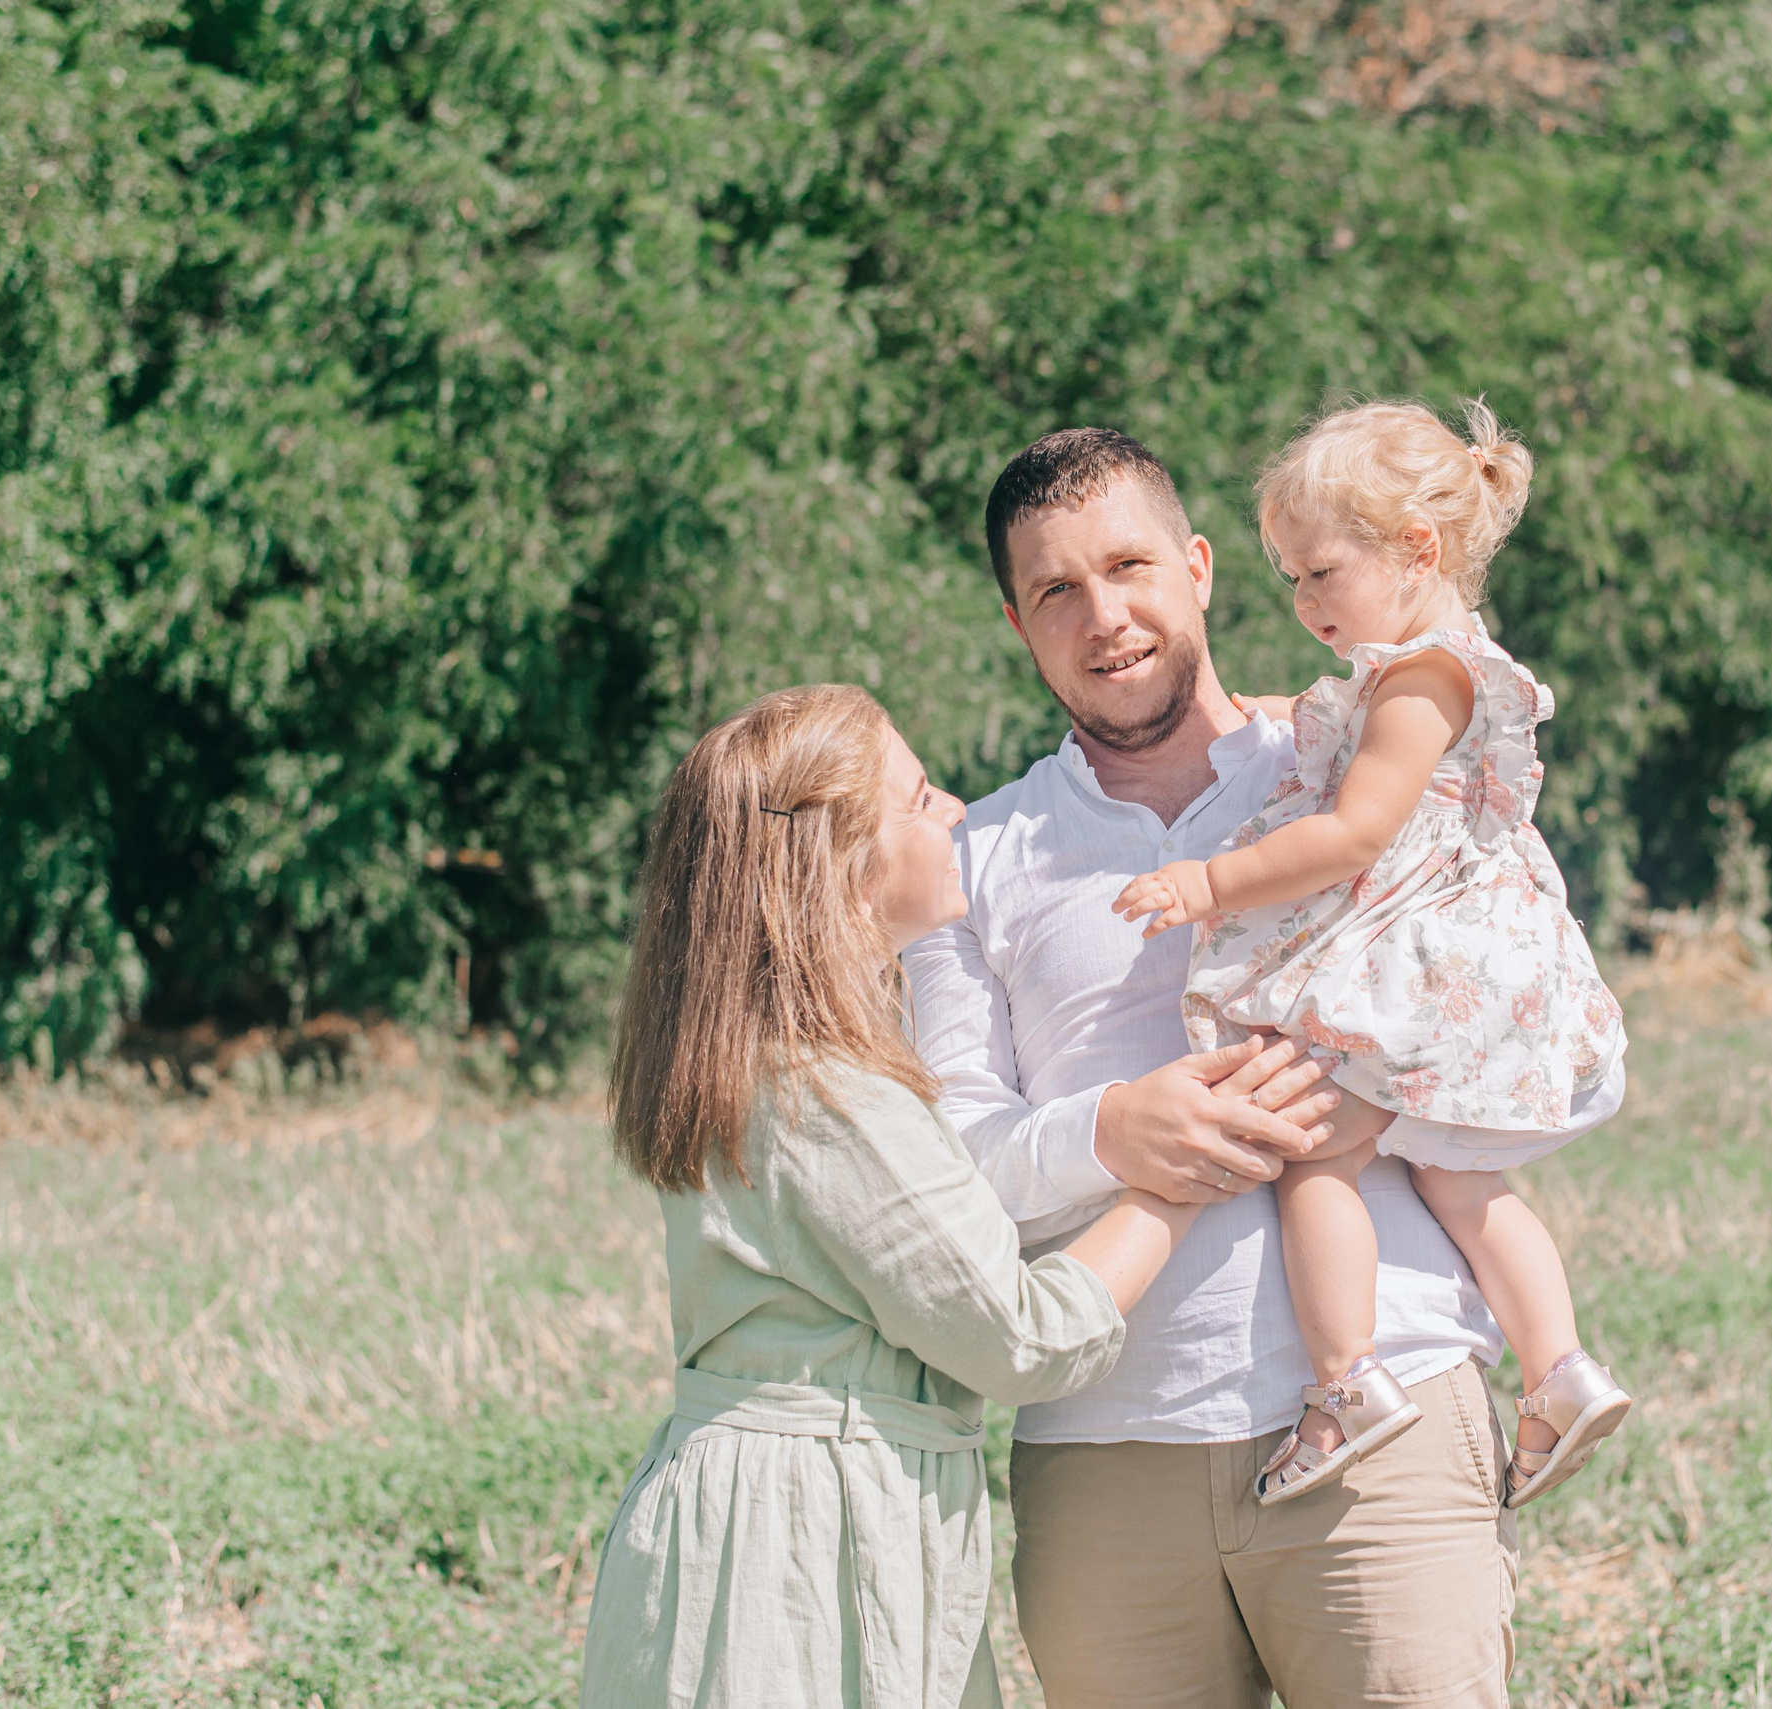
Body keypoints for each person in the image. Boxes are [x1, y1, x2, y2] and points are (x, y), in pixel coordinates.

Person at [902, 429, 1622, 1708]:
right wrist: (1116, 1129)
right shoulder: (977, 853)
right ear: (1017, 622)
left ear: (1197, 568)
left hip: (1380, 1426)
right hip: (1101, 1446)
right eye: (1057, 591)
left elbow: (1520, 998)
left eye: (1130, 566)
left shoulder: (1359, 765)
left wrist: (1380, 1093)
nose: (1104, 615)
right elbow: (952, 1169)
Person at [581, 683, 1246, 1709]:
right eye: (921, 794)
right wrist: (1184, 1175)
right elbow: (1017, 1334)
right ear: (845, 862)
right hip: (801, 1530)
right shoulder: (828, 1090)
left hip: (765, 1510)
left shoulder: (773, 1064)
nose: (954, 814)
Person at [1114, 399, 1632, 1510]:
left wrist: (1204, 882)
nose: (1302, 601)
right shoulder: (1413, 670)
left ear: (1417, 549)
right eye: (1291, 578)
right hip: (1469, 965)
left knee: (1313, 1158)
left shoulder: (1423, 678)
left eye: (1318, 573)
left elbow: (1354, 830)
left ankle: (1345, 1380)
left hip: (1425, 962)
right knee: (1457, 1173)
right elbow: (1324, 718)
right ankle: (1559, 1367)